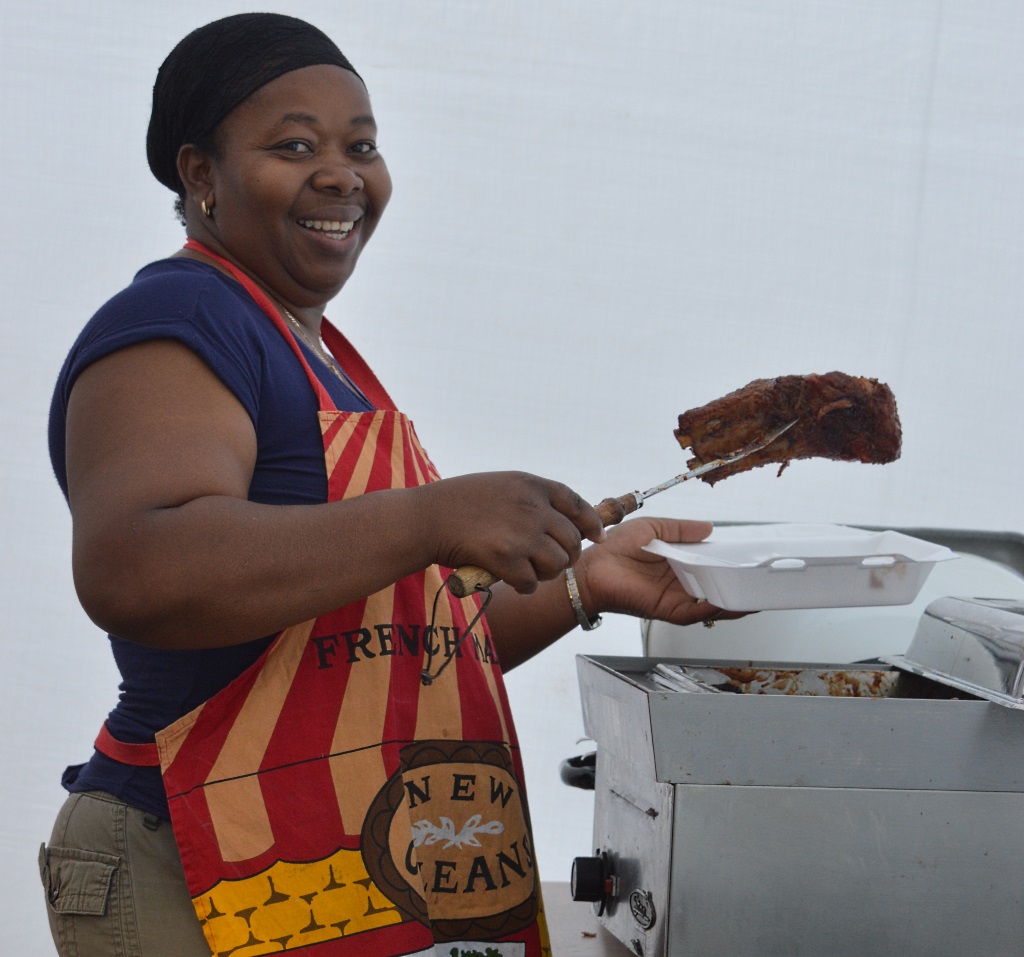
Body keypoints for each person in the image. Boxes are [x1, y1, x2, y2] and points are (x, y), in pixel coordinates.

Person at [37, 13, 724, 957]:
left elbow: (388, 647)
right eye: (295, 145)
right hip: (183, 854)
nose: (341, 173)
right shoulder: (181, 314)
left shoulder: (318, 353)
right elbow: (135, 567)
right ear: (200, 174)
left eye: (362, 145)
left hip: (320, 847)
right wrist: (433, 515)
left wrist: (587, 581)